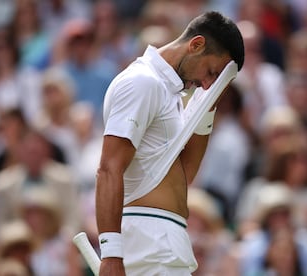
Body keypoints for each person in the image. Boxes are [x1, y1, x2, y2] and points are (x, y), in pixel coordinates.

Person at [95, 11, 244, 276]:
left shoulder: (170, 93)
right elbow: (109, 168)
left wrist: (207, 107)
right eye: (211, 72)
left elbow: (184, 175)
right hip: (147, 242)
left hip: (164, 242)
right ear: (196, 44)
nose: (207, 83)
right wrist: (110, 254)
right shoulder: (142, 82)